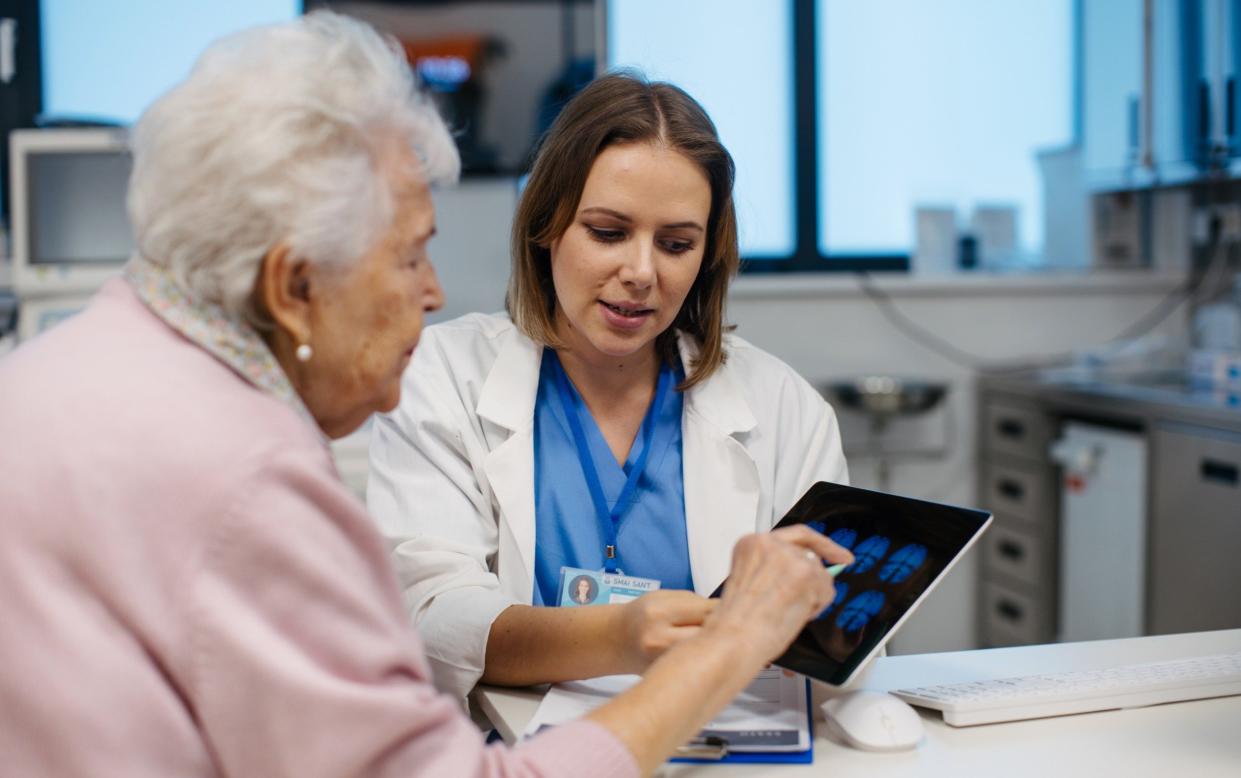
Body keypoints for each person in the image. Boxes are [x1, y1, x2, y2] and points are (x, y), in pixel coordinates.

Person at [0, 12, 853, 777]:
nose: (435, 291)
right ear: (295, 284)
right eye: (409, 255)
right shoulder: (249, 482)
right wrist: (724, 647)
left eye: (675, 242)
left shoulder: (56, 378)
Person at [368, 72, 851, 701]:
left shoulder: (783, 407)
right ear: (547, 227)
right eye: (607, 232)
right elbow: (429, 619)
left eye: (676, 244)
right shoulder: (441, 379)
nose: (642, 273)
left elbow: (841, 636)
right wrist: (618, 638)